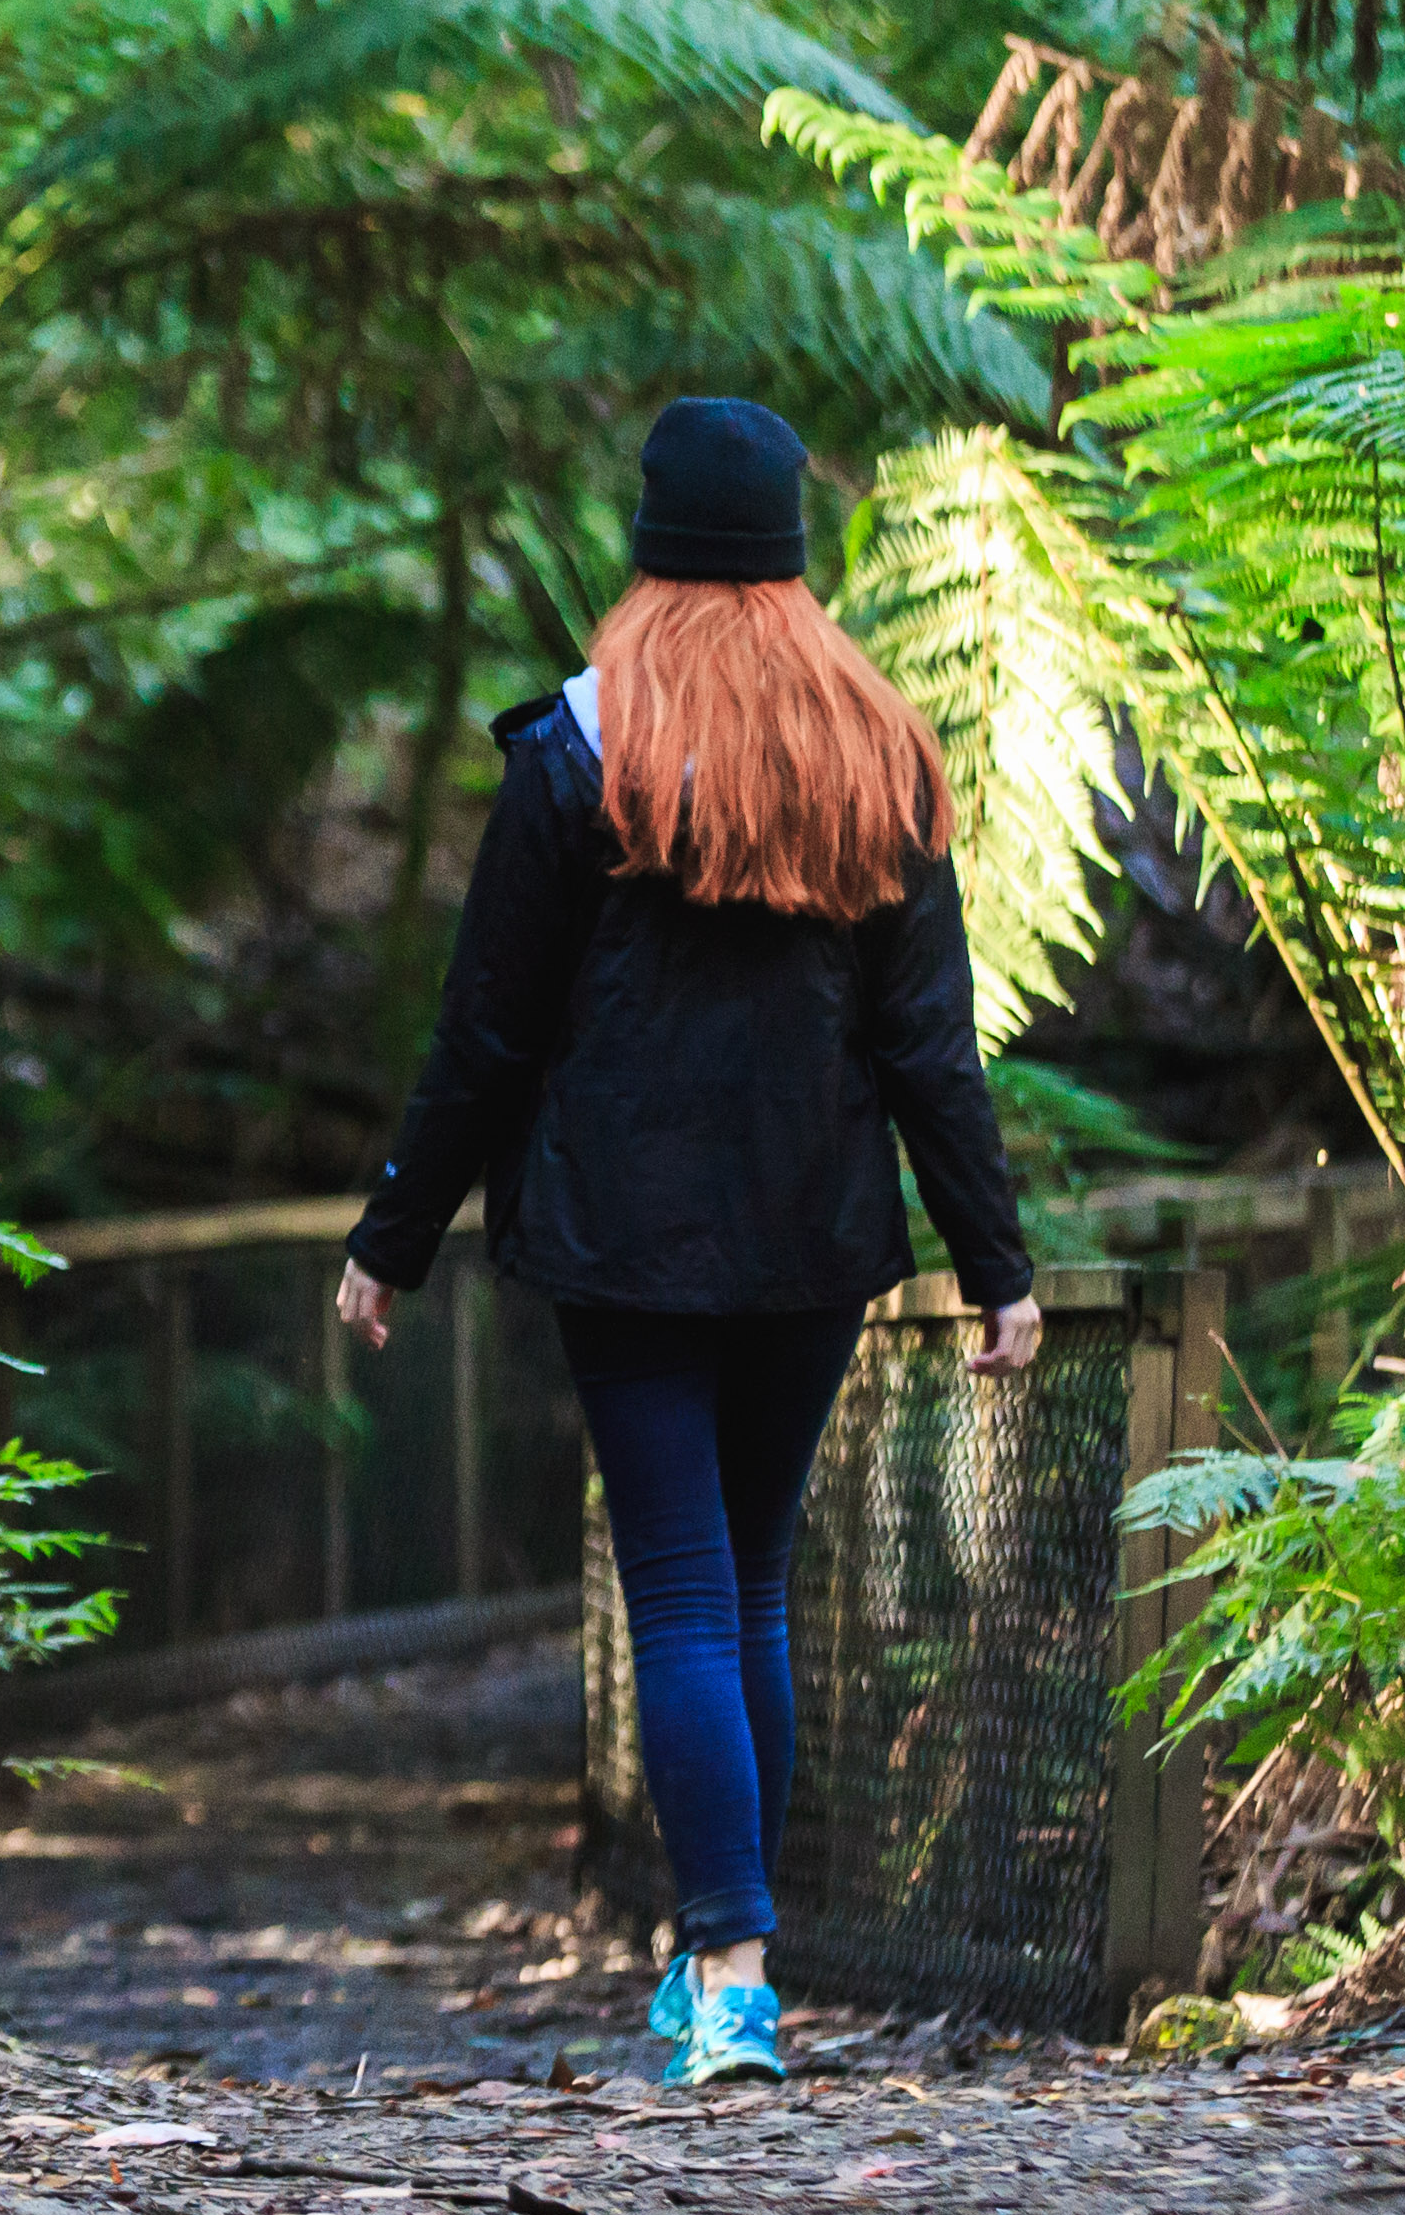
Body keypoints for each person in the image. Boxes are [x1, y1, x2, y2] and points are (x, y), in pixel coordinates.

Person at [337, 396, 1040, 2091]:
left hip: (625, 1242)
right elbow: (926, 1048)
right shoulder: (882, 749)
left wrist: (393, 1235)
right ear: (792, 547)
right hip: (813, 1242)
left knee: (682, 1594)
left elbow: (487, 1035)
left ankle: (730, 1976)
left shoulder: (583, 750)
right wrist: (995, 1261)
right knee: (750, 1584)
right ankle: (721, 1955)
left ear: (652, 539)